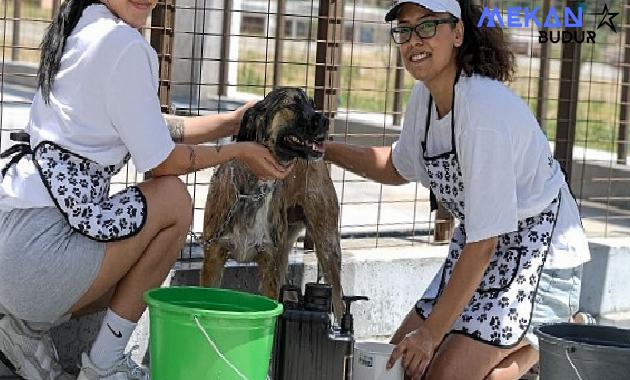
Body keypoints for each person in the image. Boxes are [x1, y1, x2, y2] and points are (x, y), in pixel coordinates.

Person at [0, 0, 291, 379]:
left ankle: (22, 328)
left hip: (14, 245)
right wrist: (237, 151)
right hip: (40, 257)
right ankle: (104, 363)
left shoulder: (80, 26)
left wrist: (232, 122)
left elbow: (148, 125)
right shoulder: (124, 45)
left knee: (139, 239)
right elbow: (161, 162)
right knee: (172, 203)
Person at [324, 0, 591, 379]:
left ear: (458, 33)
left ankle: (545, 337)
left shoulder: (482, 110)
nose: (414, 40)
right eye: (405, 29)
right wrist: (323, 150)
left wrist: (431, 334)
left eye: (428, 26)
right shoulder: (426, 99)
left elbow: (484, 246)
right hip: (481, 246)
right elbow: (397, 166)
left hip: (539, 256)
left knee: (443, 376)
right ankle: (523, 341)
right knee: (393, 367)